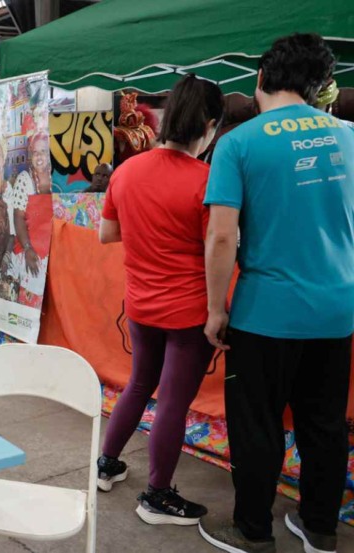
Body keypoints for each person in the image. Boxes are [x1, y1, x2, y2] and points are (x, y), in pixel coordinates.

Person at [199, 34, 354, 553]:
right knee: (326, 426)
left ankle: (252, 530)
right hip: (337, 310)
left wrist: (215, 309)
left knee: (258, 424)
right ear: (316, 87)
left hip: (266, 314)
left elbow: (222, 236)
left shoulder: (239, 143)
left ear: (261, 78)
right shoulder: (349, 136)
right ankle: (320, 529)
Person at [96, 74, 223, 527]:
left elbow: (107, 233)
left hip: (141, 305)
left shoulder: (127, 170)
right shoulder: (207, 180)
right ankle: (157, 496)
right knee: (172, 401)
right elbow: (219, 247)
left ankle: (107, 464)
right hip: (189, 312)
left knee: (137, 384)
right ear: (209, 125)